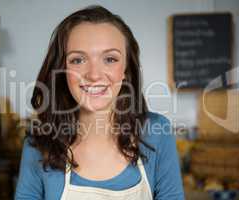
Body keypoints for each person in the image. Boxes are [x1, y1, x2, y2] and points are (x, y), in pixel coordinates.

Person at [15, 5, 184, 200]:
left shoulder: (156, 132)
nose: (94, 75)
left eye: (110, 59)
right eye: (78, 60)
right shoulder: (39, 144)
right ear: (61, 70)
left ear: (126, 70)